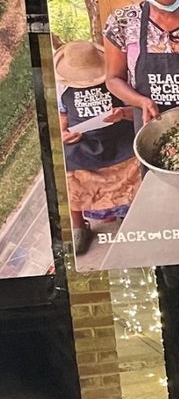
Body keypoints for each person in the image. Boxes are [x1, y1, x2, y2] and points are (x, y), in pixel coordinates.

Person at [53, 41, 139, 255]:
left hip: (118, 138)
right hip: (83, 143)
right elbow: (62, 119)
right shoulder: (64, 91)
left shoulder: (118, 80)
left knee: (137, 159)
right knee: (65, 169)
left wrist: (122, 113)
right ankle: (79, 227)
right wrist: (63, 135)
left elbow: (135, 109)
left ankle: (131, 214)